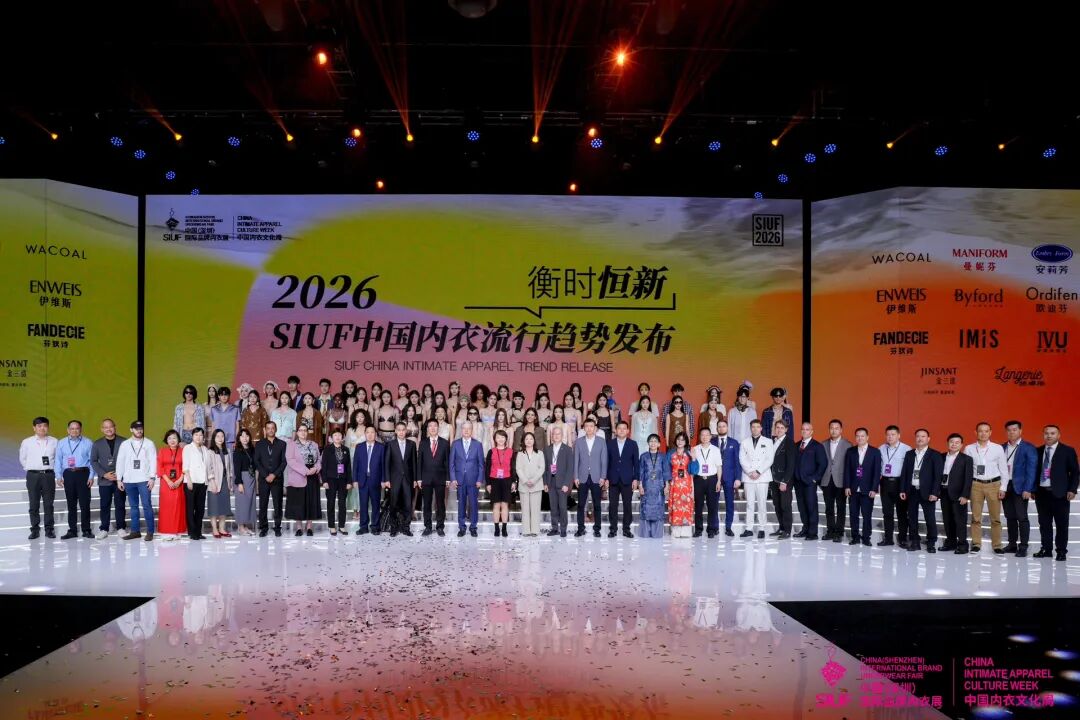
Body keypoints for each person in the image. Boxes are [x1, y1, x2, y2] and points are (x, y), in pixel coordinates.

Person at [1034, 425, 1079, 561]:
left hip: (1060, 494)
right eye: (1046, 433)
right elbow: (1034, 472)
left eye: (1052, 433)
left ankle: (1061, 551)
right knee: (1044, 524)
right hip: (1041, 493)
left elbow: (1075, 472)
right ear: (1043, 435)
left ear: (1058, 435)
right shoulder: (1038, 451)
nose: (1049, 436)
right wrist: (1033, 489)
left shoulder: (1068, 451)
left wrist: (1072, 489)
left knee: (1061, 524)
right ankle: (1046, 549)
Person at [964, 421, 1010, 553]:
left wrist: (1003, 488)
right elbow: (966, 470)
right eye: (980, 431)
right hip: (975, 485)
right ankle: (976, 544)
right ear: (976, 433)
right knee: (975, 517)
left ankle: (997, 545)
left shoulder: (997, 448)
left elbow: (1004, 469)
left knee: (995, 518)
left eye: (986, 431)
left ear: (990, 433)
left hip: (994, 485)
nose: (983, 434)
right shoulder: (969, 448)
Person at [898, 428, 943, 553]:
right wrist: (902, 489)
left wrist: (935, 492)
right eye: (918, 436)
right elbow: (904, 473)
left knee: (930, 518)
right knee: (912, 518)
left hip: (928, 492)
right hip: (912, 490)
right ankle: (915, 541)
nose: (920, 438)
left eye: (923, 436)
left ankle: (931, 542)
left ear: (928, 439)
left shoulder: (935, 455)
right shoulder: (909, 454)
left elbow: (938, 476)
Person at [117, 421, 157, 541]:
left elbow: (153, 461)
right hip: (129, 480)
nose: (139, 430)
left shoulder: (149, 443)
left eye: (141, 428)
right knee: (133, 507)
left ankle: (150, 532)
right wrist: (119, 479)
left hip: (144, 479)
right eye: (136, 428)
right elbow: (120, 461)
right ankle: (135, 531)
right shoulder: (125, 444)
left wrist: (152, 477)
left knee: (146, 505)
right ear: (131, 430)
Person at [1002, 420, 1038, 556]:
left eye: (1014, 429)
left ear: (1020, 431)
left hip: (1021, 487)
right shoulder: (1001, 447)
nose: (1011, 432)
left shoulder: (1028, 447)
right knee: (1009, 516)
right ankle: (1012, 544)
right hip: (1005, 486)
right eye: (1009, 430)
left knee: (1022, 517)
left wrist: (1028, 489)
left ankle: (1023, 546)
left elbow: (1032, 470)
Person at [20, 417, 58, 540]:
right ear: (34, 428)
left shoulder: (54, 441)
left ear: (48, 427)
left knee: (49, 504)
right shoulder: (27, 442)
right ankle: (35, 529)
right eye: (39, 426)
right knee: (33, 504)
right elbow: (22, 458)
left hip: (48, 475)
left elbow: (58, 458)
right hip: (33, 475)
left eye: (45, 426)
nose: (42, 428)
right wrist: (32, 468)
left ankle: (49, 529)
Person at [56, 420, 94, 539]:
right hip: (68, 474)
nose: (74, 431)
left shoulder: (88, 442)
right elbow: (58, 460)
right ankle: (72, 530)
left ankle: (86, 530)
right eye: (72, 428)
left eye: (77, 428)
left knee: (85, 503)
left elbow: (92, 461)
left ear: (80, 430)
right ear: (68, 430)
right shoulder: (62, 443)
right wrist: (58, 476)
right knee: (71, 503)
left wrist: (91, 476)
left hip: (83, 473)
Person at [844, 427, 881, 547]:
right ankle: (855, 537)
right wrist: (847, 486)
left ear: (867, 437)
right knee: (853, 514)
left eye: (862, 436)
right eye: (858, 436)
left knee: (867, 515)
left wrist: (874, 489)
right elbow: (847, 470)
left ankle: (866, 537)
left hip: (868, 489)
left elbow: (877, 472)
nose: (860, 438)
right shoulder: (850, 451)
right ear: (855, 438)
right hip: (853, 489)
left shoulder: (875, 452)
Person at [91, 418, 127, 539]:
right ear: (102, 429)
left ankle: (121, 527)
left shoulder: (124, 442)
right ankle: (104, 529)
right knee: (105, 505)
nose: (108, 429)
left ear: (115, 427)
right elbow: (93, 461)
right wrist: (104, 474)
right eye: (105, 427)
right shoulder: (97, 444)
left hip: (120, 480)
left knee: (120, 504)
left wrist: (120, 474)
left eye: (110, 426)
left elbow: (128, 459)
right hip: (104, 480)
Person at [939, 433, 974, 554]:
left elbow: (968, 478)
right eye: (951, 442)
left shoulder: (966, 459)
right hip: (944, 492)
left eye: (957, 442)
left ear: (961, 445)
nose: (954, 444)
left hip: (959, 494)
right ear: (948, 443)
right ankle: (950, 542)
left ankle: (963, 545)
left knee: (960, 520)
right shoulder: (941, 457)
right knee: (947, 519)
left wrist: (965, 495)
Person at [738, 420, 774, 539]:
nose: (755, 429)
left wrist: (758, 472)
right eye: (753, 427)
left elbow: (769, 459)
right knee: (749, 504)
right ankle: (748, 528)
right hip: (748, 477)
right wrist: (750, 472)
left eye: (757, 427)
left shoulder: (768, 441)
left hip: (762, 476)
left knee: (762, 503)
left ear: (761, 428)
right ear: (750, 428)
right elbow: (742, 459)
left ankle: (762, 528)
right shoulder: (744, 442)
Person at [877, 425, 912, 548]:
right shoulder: (881, 448)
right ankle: (888, 539)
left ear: (899, 435)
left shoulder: (906, 449)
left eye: (893, 434)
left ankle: (902, 539)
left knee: (902, 513)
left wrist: (905, 487)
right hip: (885, 483)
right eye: (888, 434)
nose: (890, 437)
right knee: (887, 513)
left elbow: (908, 470)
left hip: (900, 483)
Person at [285, 424, 322, 536]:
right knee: (298, 502)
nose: (303, 432)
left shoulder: (314, 444)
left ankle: (309, 526)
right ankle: (299, 527)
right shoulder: (291, 445)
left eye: (305, 430)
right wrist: (305, 471)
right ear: (297, 432)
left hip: (313, 475)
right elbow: (291, 460)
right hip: (299, 475)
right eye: (300, 430)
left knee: (311, 501)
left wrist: (316, 468)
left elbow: (319, 459)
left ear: (308, 432)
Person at [573, 417, 607, 537]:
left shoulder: (601, 441)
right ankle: (580, 529)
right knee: (581, 505)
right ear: (584, 428)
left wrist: (603, 476)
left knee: (597, 504)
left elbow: (604, 460)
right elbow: (576, 460)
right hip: (582, 476)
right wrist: (575, 476)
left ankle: (597, 529)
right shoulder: (579, 441)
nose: (589, 428)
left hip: (597, 477)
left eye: (591, 426)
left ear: (595, 428)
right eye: (586, 426)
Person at [792, 422, 827, 540]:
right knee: (801, 507)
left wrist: (814, 479)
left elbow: (823, 464)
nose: (804, 431)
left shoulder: (817, 446)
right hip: (798, 482)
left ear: (812, 432)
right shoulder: (796, 445)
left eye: (807, 429)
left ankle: (812, 533)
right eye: (803, 429)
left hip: (809, 483)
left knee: (811, 507)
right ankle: (805, 529)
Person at [450, 421, 484, 537]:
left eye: (469, 428)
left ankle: (473, 527)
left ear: (472, 430)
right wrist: (453, 478)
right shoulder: (455, 444)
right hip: (460, 479)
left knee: (473, 504)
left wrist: (479, 479)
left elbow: (481, 464)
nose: (466, 430)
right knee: (461, 504)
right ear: (461, 430)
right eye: (464, 428)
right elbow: (452, 463)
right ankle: (462, 527)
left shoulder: (478, 444)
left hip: (473, 480)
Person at [255, 421, 288, 537]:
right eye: (268, 428)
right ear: (265, 430)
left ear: (276, 429)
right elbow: (256, 461)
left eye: (272, 428)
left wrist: (274, 475)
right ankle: (263, 528)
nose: (270, 430)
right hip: (263, 479)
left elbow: (284, 462)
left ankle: (277, 527)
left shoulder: (282, 444)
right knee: (263, 504)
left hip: (277, 479)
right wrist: (266, 475)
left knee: (278, 504)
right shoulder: (259, 444)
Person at [383, 422, 416, 537]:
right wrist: (387, 479)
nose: (401, 432)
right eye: (399, 430)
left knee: (408, 504)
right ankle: (393, 527)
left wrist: (415, 479)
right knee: (393, 504)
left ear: (406, 431)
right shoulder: (390, 444)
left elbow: (414, 463)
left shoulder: (412, 444)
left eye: (403, 430)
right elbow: (387, 463)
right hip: (394, 479)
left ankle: (406, 527)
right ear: (396, 431)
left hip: (408, 479)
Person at [607, 421, 639, 538]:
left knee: (627, 506)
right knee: (612, 506)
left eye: (624, 428)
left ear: (628, 431)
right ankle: (613, 529)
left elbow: (636, 463)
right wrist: (606, 478)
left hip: (627, 479)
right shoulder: (610, 443)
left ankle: (626, 529)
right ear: (615, 430)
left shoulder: (633, 444)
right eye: (619, 428)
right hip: (613, 479)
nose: (621, 430)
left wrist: (636, 479)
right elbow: (606, 462)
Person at [417, 419, 450, 536]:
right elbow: (419, 462)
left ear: (438, 428)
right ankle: (428, 527)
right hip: (426, 478)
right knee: (427, 504)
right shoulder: (423, 443)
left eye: (434, 426)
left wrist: (448, 478)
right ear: (427, 429)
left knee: (440, 503)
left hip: (441, 478)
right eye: (430, 426)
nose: (432, 428)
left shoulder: (445, 443)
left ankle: (440, 527)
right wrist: (419, 478)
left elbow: (447, 462)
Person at [820, 420, 850, 542]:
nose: (834, 430)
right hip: (826, 480)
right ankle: (830, 531)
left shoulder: (848, 445)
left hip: (841, 480)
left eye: (836, 428)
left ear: (841, 430)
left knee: (841, 507)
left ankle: (839, 532)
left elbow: (849, 465)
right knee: (829, 508)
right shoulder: (823, 444)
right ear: (829, 429)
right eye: (832, 428)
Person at [352, 425, 385, 535]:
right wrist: (355, 480)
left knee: (376, 504)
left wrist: (383, 480)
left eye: (372, 432)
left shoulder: (381, 447)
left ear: (375, 434)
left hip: (376, 480)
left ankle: (375, 526)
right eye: (368, 432)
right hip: (362, 480)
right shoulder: (359, 447)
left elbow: (383, 465)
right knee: (363, 504)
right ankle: (363, 527)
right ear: (365, 434)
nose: (370, 434)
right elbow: (355, 464)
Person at [317, 429, 351, 536]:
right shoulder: (327, 449)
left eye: (339, 435)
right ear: (331, 438)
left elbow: (348, 467)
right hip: (330, 479)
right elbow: (324, 466)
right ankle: (331, 526)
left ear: (343, 437)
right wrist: (324, 481)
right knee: (330, 503)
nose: (337, 437)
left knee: (342, 504)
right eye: (335, 435)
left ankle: (341, 526)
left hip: (343, 480)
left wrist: (349, 481)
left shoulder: (346, 449)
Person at [543, 425, 574, 537]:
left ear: (562, 436)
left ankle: (563, 529)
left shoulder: (567, 449)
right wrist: (545, 483)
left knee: (562, 507)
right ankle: (555, 528)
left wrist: (566, 484)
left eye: (558, 434)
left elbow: (570, 469)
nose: (556, 436)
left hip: (562, 483)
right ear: (551, 436)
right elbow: (545, 468)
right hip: (551, 482)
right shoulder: (547, 449)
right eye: (554, 434)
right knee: (553, 507)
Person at [690, 427, 720, 538]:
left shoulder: (716, 450)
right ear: (699, 436)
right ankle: (698, 529)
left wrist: (719, 481)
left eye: (707, 435)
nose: (705, 437)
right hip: (698, 479)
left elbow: (719, 466)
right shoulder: (695, 449)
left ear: (710, 436)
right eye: (702, 435)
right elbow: (692, 467)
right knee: (698, 506)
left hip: (712, 479)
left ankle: (711, 529)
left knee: (712, 506)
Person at [156, 429, 187, 540]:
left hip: (179, 482)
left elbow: (186, 466)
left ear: (178, 439)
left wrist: (180, 480)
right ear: (166, 440)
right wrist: (168, 481)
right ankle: (166, 531)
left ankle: (177, 530)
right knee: (166, 506)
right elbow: (159, 467)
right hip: (166, 483)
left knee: (178, 506)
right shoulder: (162, 451)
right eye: (169, 438)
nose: (172, 440)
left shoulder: (183, 451)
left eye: (174, 438)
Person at [712, 420, 740, 537]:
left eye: (724, 426)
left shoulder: (734, 442)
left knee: (729, 503)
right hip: (715, 477)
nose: (721, 428)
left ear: (727, 428)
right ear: (716, 428)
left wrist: (738, 478)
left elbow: (737, 461)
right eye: (719, 426)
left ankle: (728, 527)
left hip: (730, 477)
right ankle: (715, 527)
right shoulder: (712, 442)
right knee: (714, 503)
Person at [182, 427, 211, 540]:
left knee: (200, 508)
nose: (198, 437)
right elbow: (185, 466)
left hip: (203, 482)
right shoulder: (188, 448)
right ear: (192, 436)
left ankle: (198, 532)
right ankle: (192, 532)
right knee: (190, 508)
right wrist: (188, 480)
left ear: (203, 437)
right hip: (191, 481)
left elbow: (207, 466)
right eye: (196, 435)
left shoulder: (205, 449)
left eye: (200, 435)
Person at [485, 429, 516, 538]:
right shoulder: (491, 451)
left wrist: (514, 481)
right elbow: (487, 468)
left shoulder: (511, 451)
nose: (500, 439)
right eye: (498, 437)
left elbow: (513, 468)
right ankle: (496, 528)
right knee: (496, 505)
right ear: (495, 439)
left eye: (503, 437)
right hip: (494, 480)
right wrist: (488, 483)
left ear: (506, 439)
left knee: (505, 505)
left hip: (507, 480)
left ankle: (504, 528)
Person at [638, 434, 669, 538]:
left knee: (658, 508)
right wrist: (640, 485)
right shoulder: (643, 456)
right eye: (651, 441)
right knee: (645, 508)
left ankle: (657, 533)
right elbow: (641, 471)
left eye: (655, 441)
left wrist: (667, 485)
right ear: (648, 443)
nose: (653, 443)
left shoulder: (663, 456)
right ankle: (645, 533)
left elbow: (666, 471)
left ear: (659, 444)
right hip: (646, 486)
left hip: (659, 487)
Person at [769, 420, 795, 539]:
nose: (779, 430)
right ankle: (781, 528)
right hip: (774, 479)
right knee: (777, 505)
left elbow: (791, 464)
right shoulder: (772, 441)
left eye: (782, 428)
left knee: (785, 505)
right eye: (777, 427)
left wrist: (785, 481)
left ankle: (787, 530)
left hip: (784, 480)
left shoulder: (789, 442)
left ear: (786, 430)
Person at [516, 431, 545, 536]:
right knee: (525, 509)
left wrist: (533, 480)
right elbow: (518, 468)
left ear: (534, 441)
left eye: (531, 439)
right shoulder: (520, 454)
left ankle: (535, 530)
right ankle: (526, 531)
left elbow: (542, 468)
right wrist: (525, 480)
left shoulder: (540, 453)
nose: (529, 441)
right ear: (523, 441)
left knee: (535, 508)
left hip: (536, 484)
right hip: (524, 485)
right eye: (526, 439)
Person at [206, 429, 234, 538]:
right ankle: (214, 529)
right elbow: (209, 468)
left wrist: (230, 482)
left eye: (222, 436)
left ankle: (222, 528)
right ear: (214, 438)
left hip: (225, 482)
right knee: (214, 507)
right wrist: (212, 482)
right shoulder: (210, 451)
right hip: (214, 482)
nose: (220, 438)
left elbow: (230, 468)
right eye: (218, 436)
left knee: (224, 507)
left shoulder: (228, 451)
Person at [667, 432, 694, 538]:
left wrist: (694, 459)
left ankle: (686, 531)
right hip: (674, 483)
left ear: (686, 441)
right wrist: (667, 483)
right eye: (678, 439)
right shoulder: (670, 453)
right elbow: (666, 469)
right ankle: (675, 530)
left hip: (687, 482)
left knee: (686, 504)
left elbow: (694, 470)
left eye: (682, 440)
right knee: (675, 505)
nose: (680, 442)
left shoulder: (689, 453)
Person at [232, 428, 258, 536]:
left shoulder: (252, 449)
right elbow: (236, 469)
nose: (245, 438)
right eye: (242, 436)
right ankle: (240, 527)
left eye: (247, 436)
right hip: (242, 478)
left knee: (249, 504)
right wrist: (239, 483)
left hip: (251, 478)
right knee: (242, 503)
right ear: (239, 438)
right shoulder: (237, 451)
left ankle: (245, 526)